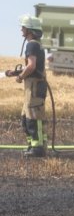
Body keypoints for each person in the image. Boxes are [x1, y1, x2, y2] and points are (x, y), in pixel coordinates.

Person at [6, 15, 48, 157]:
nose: (21, 30)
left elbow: (31, 66)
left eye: (23, 27)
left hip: (35, 86)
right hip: (33, 86)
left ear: (29, 30)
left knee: (34, 117)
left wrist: (20, 77)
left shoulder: (32, 44)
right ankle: (32, 146)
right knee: (26, 118)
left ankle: (38, 149)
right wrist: (15, 72)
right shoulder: (36, 44)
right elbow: (32, 67)